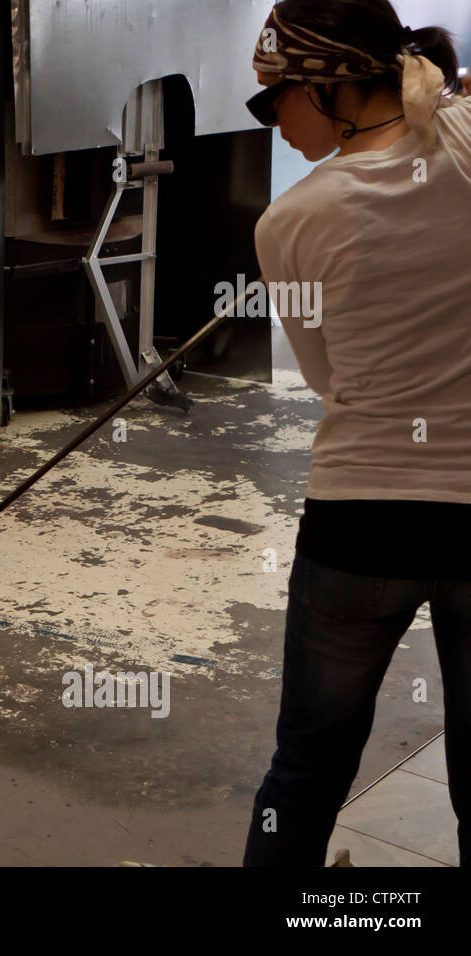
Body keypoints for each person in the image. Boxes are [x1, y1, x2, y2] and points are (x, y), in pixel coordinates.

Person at [241, 1, 471, 865]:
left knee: (306, 768)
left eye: (275, 100)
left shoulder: (289, 222)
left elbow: (328, 379)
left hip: (361, 515)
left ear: (335, 83)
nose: (269, 120)